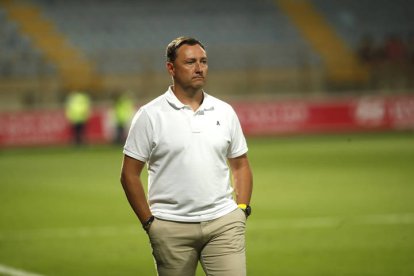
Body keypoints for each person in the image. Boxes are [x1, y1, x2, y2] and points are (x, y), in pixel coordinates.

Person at [120, 36, 253, 276]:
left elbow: (241, 165)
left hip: (224, 224)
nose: (199, 68)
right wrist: (150, 224)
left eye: (203, 61)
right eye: (190, 62)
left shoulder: (224, 111)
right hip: (171, 228)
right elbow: (129, 175)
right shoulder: (150, 115)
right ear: (171, 67)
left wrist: (241, 209)